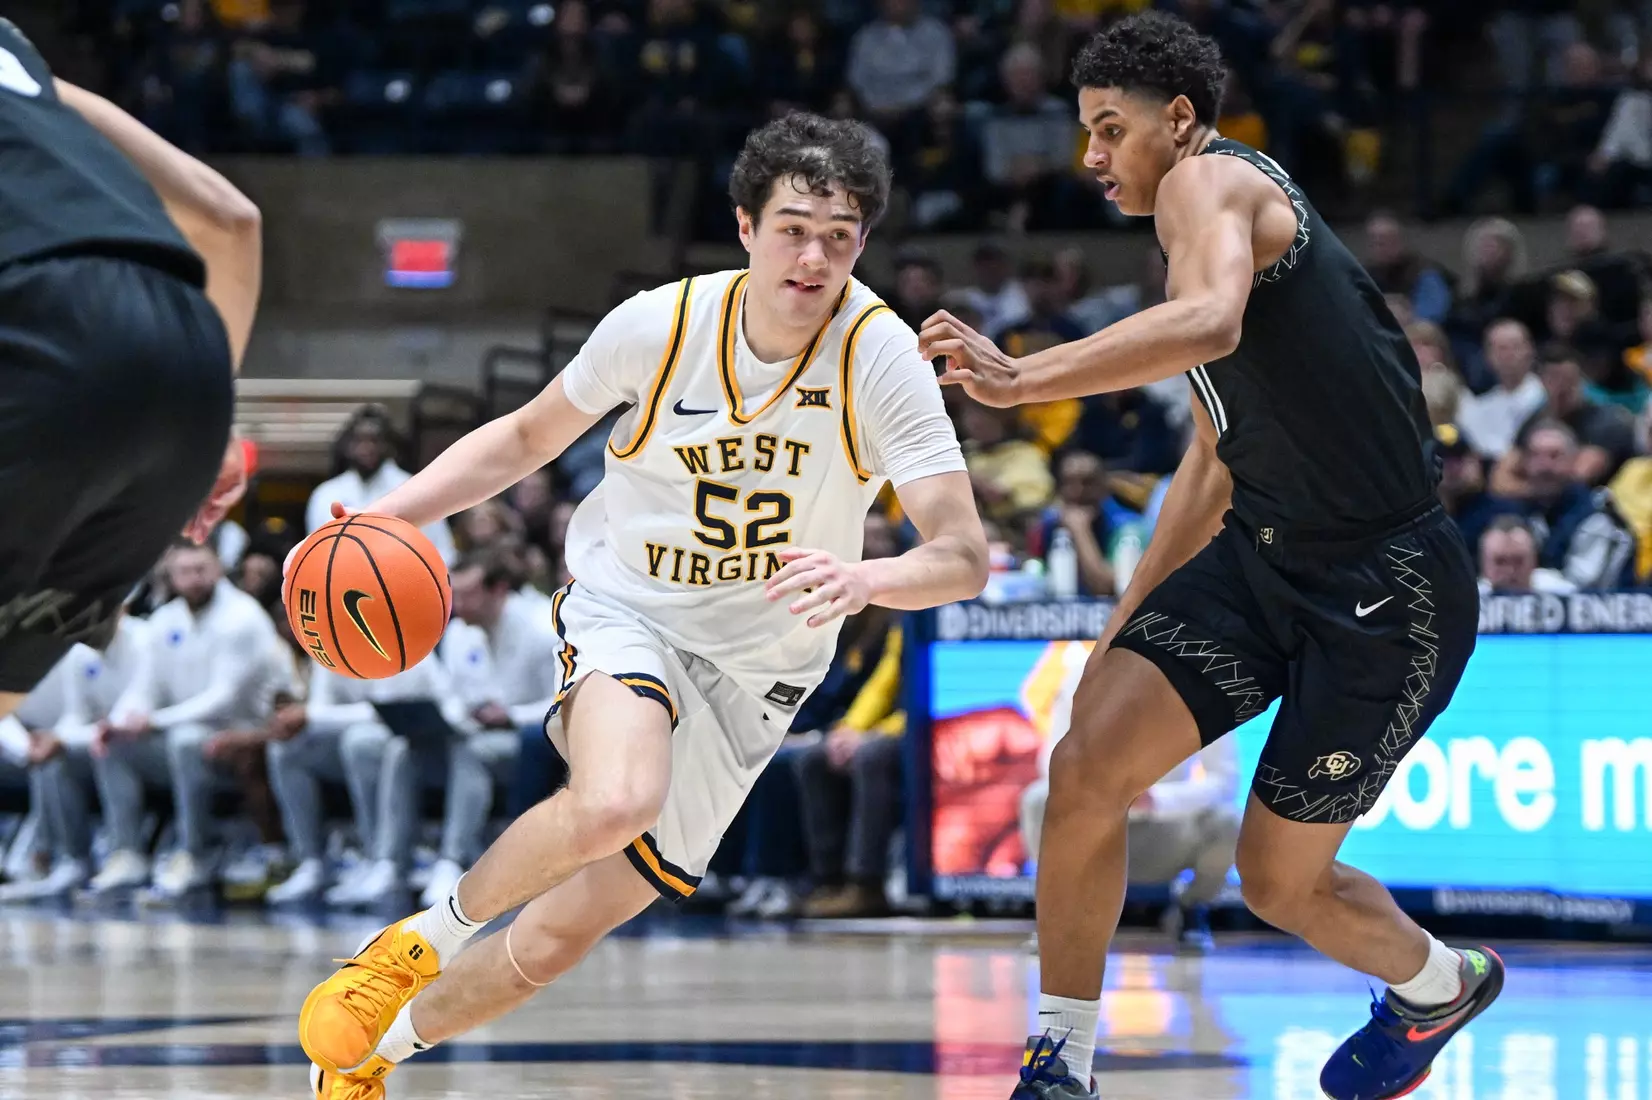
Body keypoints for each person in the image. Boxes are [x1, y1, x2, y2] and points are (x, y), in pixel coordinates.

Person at [294, 111, 989, 1099]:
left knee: (567, 927)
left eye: (838, 235)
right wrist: (385, 516)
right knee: (616, 796)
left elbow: (963, 553)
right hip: (634, 608)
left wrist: (868, 578)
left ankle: (374, 1056)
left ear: (862, 243)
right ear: (744, 225)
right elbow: (523, 437)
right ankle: (408, 945)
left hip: (762, 670)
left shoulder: (875, 357)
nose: (812, 255)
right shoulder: (660, 326)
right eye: (793, 226)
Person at [916, 14, 1499, 1100]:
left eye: (1107, 128)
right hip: (1261, 552)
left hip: (1387, 584)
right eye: (1082, 130)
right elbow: (1210, 457)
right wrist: (1120, 623)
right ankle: (1060, 1062)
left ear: (1176, 122)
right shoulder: (1187, 226)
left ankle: (1437, 981)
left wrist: (1018, 378)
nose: (1090, 156)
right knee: (1084, 763)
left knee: (1278, 884)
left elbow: (1210, 321)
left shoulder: (1206, 185)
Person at [0, 19, 258, 719]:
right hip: (188, 370)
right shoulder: (20, 62)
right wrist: (210, 437)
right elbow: (232, 219)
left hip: (43, 341)